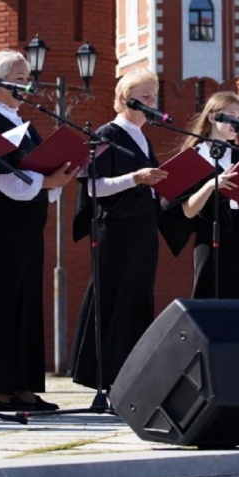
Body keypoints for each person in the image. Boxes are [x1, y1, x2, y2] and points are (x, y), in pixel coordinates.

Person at [0, 50, 73, 411]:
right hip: (0, 223)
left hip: (25, 223)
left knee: (25, 301)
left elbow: (33, 179)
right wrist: (47, 180)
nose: (26, 83)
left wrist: (59, 178)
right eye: (18, 77)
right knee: (2, 297)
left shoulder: (24, 123)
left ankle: (21, 384)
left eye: (26, 77)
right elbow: (5, 180)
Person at [70, 69, 169, 391]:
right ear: (125, 100)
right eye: (144, 96)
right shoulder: (107, 134)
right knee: (116, 299)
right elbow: (93, 186)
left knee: (138, 300)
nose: (151, 102)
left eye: (154, 96)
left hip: (142, 230)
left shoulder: (144, 137)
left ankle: (133, 376)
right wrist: (136, 179)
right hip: (116, 230)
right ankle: (106, 376)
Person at [159, 91, 239, 299]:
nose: (237, 122)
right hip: (210, 234)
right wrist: (210, 186)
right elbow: (187, 211)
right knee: (210, 297)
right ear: (211, 117)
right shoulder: (194, 156)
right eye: (231, 115)